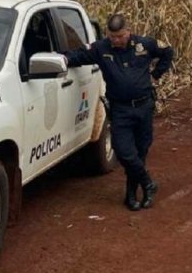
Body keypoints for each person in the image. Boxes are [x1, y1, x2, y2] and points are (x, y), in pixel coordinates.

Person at [64, 14, 174, 211]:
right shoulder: (101, 48)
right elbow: (78, 56)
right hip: (120, 108)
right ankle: (148, 183)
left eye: (120, 36)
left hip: (144, 106)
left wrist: (156, 74)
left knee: (141, 151)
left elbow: (167, 52)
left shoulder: (144, 45)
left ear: (128, 32)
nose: (116, 40)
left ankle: (132, 195)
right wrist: (62, 58)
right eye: (112, 36)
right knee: (122, 150)